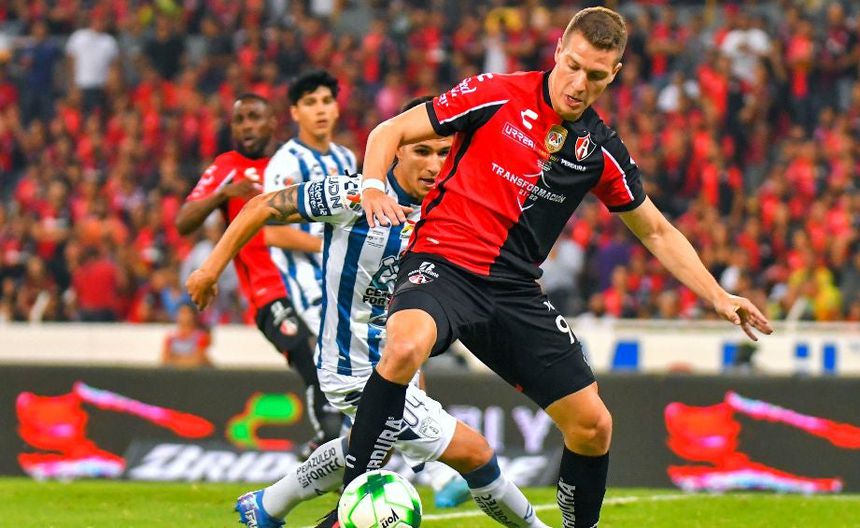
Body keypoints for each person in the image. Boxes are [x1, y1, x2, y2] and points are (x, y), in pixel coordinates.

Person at [318, 7, 774, 528]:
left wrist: (718, 295)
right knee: (402, 348)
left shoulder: (599, 149)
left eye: (596, 75)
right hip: (442, 262)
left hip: (513, 291)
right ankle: (350, 505)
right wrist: (372, 186)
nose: (579, 84)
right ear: (558, 49)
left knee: (593, 426)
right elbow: (389, 130)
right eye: (573, 66)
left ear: (614, 74)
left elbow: (655, 230)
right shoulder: (495, 92)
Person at [187, 97, 549, 528]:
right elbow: (261, 206)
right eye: (421, 151)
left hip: (399, 365)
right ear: (396, 149)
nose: (434, 165)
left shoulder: (452, 211)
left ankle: (267, 506)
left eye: (443, 152)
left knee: (368, 446)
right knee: (477, 455)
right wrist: (209, 269)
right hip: (354, 369)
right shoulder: (355, 196)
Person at [175, 93, 341, 456]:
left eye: (254, 117)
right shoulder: (228, 166)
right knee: (308, 350)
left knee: (338, 358)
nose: (246, 126)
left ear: (273, 122)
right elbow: (183, 222)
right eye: (239, 120)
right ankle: (327, 439)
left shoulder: (294, 162)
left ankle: (342, 444)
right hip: (268, 293)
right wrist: (223, 194)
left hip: (312, 284)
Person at [263, 69, 356, 354]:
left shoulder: (345, 157)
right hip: (308, 282)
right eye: (310, 102)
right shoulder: (286, 163)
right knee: (347, 353)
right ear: (295, 112)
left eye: (326, 101)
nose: (320, 110)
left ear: (336, 108)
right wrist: (326, 246)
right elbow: (272, 232)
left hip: (345, 276)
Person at [161, 303, 212, 368]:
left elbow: (199, 359)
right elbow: (165, 359)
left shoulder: (201, 336)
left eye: (186, 313)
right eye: (181, 313)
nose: (183, 316)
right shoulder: (171, 337)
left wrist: (176, 358)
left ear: (193, 315)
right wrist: (188, 359)